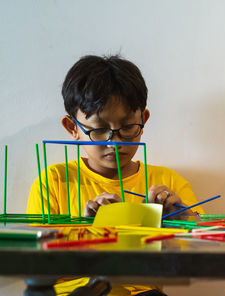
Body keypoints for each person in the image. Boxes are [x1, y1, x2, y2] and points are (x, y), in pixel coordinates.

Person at [26, 54, 203, 296]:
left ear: (143, 119)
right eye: (99, 129)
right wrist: (88, 233)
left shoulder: (168, 185)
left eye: (128, 127)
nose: (115, 142)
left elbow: (198, 259)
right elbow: (34, 266)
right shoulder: (54, 182)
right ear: (72, 128)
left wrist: (180, 221)